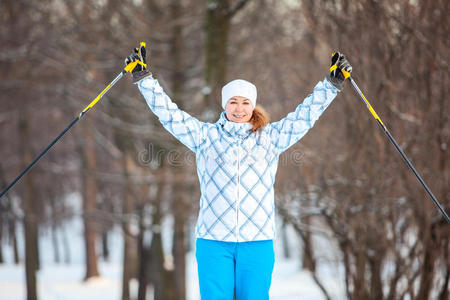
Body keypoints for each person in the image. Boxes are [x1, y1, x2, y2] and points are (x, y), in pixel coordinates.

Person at [125, 45, 352, 300]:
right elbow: (170, 116)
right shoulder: (205, 137)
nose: (239, 108)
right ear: (225, 105)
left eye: (245, 103)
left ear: (253, 106)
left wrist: (331, 84)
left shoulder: (270, 138)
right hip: (213, 241)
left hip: (257, 241)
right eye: (233, 102)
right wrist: (144, 80)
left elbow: (304, 116)